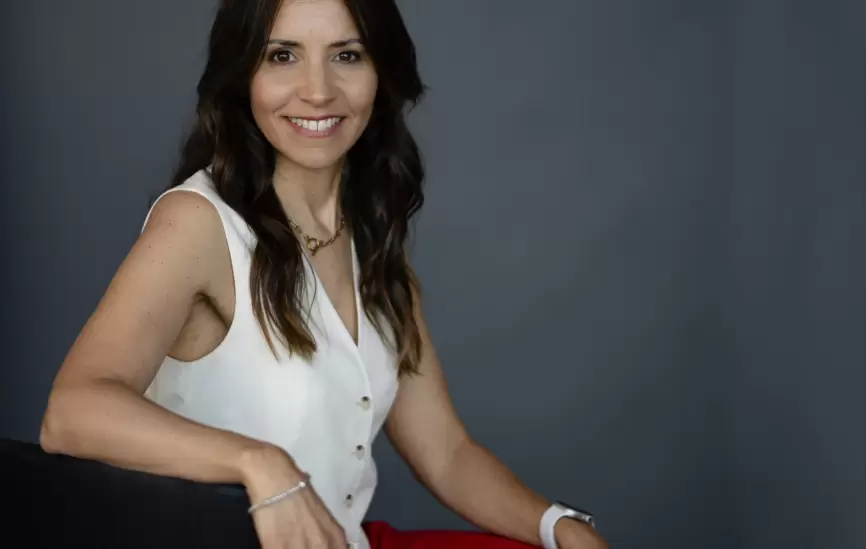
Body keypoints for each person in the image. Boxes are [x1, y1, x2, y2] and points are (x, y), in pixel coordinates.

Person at [38, 1, 610, 548]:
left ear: (381, 73)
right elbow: (72, 413)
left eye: (347, 55)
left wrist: (554, 524)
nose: (317, 90)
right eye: (282, 55)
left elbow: (448, 455)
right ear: (243, 74)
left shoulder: (370, 240)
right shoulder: (198, 224)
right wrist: (258, 463)